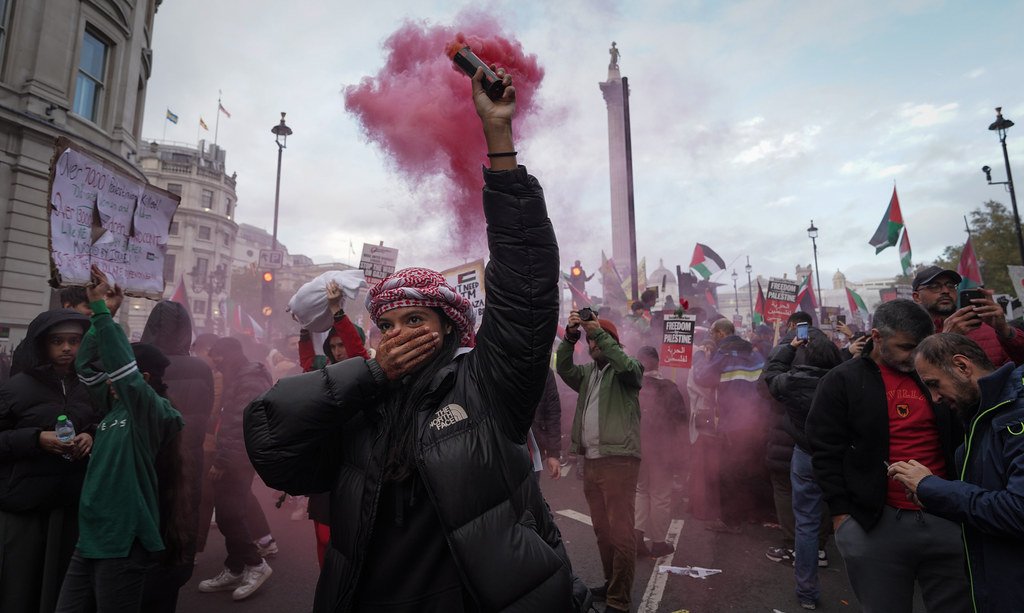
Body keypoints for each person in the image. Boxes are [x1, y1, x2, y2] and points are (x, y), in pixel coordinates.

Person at [245, 67, 579, 613]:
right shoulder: (360, 404)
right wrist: (372, 374)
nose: (400, 335)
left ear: (449, 327)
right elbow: (270, 438)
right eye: (390, 326)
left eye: (417, 321)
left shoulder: (483, 387)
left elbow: (525, 288)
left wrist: (500, 144)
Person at [806, 299, 970, 613]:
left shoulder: (937, 373)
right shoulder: (841, 381)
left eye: (922, 346)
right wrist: (843, 519)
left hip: (947, 517)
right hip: (874, 524)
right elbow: (825, 452)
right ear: (877, 337)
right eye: (907, 347)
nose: (916, 356)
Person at [55, 266, 186, 613]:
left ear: (142, 378)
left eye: (114, 372)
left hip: (124, 541)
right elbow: (86, 367)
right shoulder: (112, 408)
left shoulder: (151, 411)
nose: (106, 377)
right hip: (92, 538)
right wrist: (106, 315)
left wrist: (99, 310)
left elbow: (124, 373)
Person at [888, 334, 1024, 613]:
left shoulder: (1015, 414)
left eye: (934, 385)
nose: (935, 398)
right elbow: (988, 496)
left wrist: (932, 487)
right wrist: (936, 497)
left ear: (962, 367)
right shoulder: (982, 412)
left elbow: (1018, 511)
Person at [0, 308, 97, 613]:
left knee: (64, 589)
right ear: (42, 344)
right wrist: (35, 439)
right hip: (26, 507)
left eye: (74, 340)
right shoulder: (15, 388)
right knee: (20, 588)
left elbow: (100, 422)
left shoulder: (89, 386)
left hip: (72, 502)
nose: (67, 348)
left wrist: (92, 436)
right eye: (58, 340)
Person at [557, 312, 642, 613]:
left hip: (618, 461)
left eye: (597, 338)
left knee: (620, 531)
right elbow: (563, 366)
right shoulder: (588, 374)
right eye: (590, 339)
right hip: (591, 462)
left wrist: (598, 329)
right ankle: (612, 583)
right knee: (603, 530)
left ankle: (619, 600)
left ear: (612, 342)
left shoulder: (627, 371)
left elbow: (628, 367)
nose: (592, 343)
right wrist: (570, 335)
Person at [138, 300, 215, 611]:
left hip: (142, 464)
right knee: (175, 538)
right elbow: (204, 417)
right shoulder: (201, 368)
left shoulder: (134, 361)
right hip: (186, 464)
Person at [764, 333, 843, 610]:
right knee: (845, 517)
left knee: (805, 524)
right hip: (837, 455)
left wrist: (788, 348)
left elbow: (770, 373)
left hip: (804, 454)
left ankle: (807, 592)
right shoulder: (843, 381)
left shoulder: (791, 381)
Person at [296, 279, 371, 568]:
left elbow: (357, 352)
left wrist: (337, 312)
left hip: (358, 462)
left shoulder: (364, 369)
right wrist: (304, 327)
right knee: (324, 536)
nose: (339, 351)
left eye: (343, 344)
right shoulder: (322, 371)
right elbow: (305, 362)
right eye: (334, 346)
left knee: (354, 537)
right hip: (328, 463)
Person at [197, 337, 274, 600]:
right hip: (235, 455)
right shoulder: (238, 374)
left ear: (230, 355)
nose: (217, 368)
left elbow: (239, 422)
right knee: (231, 511)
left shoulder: (248, 377)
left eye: (219, 361)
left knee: (230, 514)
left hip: (238, 457)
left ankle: (255, 564)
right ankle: (235, 567)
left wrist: (222, 460)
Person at [692, 318, 768, 533]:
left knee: (729, 471)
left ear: (720, 333)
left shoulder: (725, 353)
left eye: (713, 333)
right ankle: (754, 515)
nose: (712, 337)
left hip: (732, 422)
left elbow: (702, 377)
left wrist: (700, 356)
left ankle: (731, 521)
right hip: (756, 420)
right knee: (752, 469)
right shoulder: (753, 351)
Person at [633, 346, 687, 559]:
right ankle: (657, 543)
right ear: (658, 363)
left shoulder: (632, 385)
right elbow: (681, 422)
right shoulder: (670, 388)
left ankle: (636, 538)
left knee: (640, 490)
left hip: (638, 446)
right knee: (660, 496)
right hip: (662, 449)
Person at [911, 266, 1024, 367]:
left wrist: (1006, 331)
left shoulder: (989, 329)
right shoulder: (910, 335)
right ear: (917, 297)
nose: (946, 291)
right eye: (935, 286)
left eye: (950, 285)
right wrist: (945, 341)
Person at [532, 368, 564, 481]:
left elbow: (552, 413)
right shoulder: (498, 364)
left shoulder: (543, 372)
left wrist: (553, 453)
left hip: (532, 450)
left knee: (528, 495)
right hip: (499, 452)